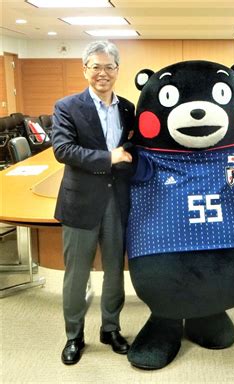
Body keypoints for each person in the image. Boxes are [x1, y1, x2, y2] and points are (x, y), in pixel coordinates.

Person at [52, 40, 135, 365]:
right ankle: (74, 335)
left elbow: (134, 148)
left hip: (118, 201)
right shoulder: (67, 106)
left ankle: (110, 328)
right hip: (80, 203)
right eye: (96, 66)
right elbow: (63, 150)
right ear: (85, 69)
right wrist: (108, 157)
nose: (103, 73)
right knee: (77, 275)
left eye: (109, 67)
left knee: (114, 271)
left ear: (117, 70)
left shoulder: (128, 108)